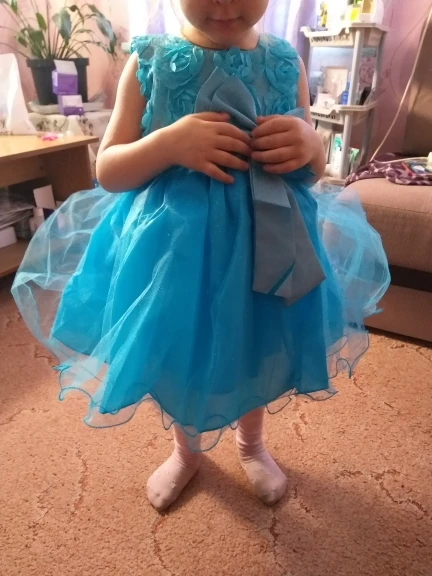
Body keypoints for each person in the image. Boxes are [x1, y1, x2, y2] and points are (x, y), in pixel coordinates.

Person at [12, 0, 390, 512]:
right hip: (177, 256)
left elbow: (309, 170)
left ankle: (251, 444)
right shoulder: (149, 61)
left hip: (268, 244)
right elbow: (109, 169)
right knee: (185, 348)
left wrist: (311, 145)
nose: (224, 3)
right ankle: (186, 451)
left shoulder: (287, 62)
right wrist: (167, 144)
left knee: (256, 343)